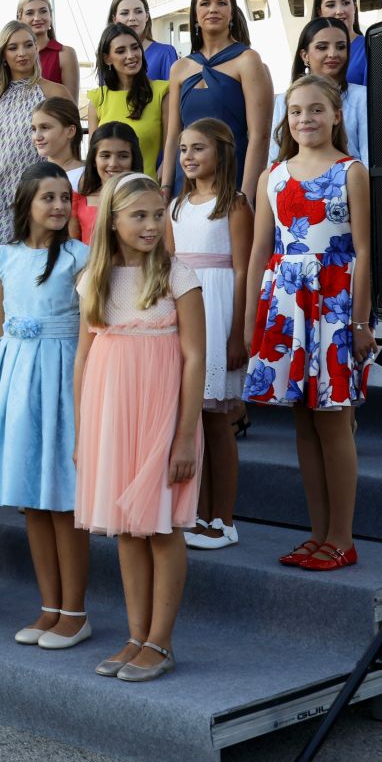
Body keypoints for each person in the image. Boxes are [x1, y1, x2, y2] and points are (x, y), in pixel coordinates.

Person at [74, 171, 205, 682]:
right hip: (110, 414)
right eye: (139, 216)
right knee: (127, 528)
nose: (151, 225)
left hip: (160, 413)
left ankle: (161, 641)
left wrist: (186, 434)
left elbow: (195, 357)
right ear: (112, 220)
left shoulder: (177, 276)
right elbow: (84, 359)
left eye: (157, 215)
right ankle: (135, 635)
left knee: (162, 525)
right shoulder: (92, 279)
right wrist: (84, 431)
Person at [245, 75, 374, 573]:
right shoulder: (272, 175)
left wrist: (361, 322)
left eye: (317, 110)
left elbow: (363, 251)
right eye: (297, 111)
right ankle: (317, 532)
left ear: (336, 115)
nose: (306, 119)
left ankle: (342, 536)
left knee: (334, 420)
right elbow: (262, 250)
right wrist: (254, 317)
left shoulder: (352, 172)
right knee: (303, 421)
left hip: (335, 306)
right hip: (286, 304)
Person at [0, 163, 93, 648]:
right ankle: (49, 606)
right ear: (27, 203)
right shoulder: (2, 258)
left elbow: (88, 331)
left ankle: (75, 611)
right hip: (16, 379)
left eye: (65, 197)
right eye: (49, 197)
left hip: (63, 377)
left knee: (62, 499)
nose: (60, 206)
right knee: (32, 502)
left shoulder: (81, 258)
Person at [169, 120, 253, 550]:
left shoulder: (234, 204)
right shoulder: (177, 206)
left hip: (218, 312)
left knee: (217, 421)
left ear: (220, 152)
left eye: (198, 148)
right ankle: (197, 514)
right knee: (193, 421)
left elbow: (242, 271)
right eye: (183, 148)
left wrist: (238, 332)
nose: (188, 156)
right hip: (185, 315)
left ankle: (224, 519)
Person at [160, 0, 273, 195]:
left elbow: (260, 135)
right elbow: (174, 135)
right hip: (185, 183)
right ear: (195, 14)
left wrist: (247, 196)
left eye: (221, 3)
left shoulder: (247, 60)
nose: (213, 9)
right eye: (205, 3)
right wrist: (165, 187)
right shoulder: (179, 68)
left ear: (232, 12)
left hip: (232, 178)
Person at [0, 22, 69, 253]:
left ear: (36, 48)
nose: (22, 53)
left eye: (28, 45)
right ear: (3, 55)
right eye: (13, 47)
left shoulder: (54, 92)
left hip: (39, 198)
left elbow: (69, 147)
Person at [272, 18, 368, 164]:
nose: (333, 54)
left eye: (341, 47)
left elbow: (370, 159)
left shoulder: (363, 97)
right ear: (305, 55)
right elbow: (275, 158)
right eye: (322, 47)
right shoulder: (284, 101)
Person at [83, 24, 170, 177]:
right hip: (108, 193)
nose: (131, 55)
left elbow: (172, 148)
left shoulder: (161, 92)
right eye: (121, 51)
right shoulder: (97, 99)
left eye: (135, 48)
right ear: (107, 58)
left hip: (147, 190)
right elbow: (95, 158)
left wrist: (164, 187)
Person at [108, 0, 179, 82]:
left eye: (138, 12)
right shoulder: (108, 55)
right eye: (125, 13)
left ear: (146, 16)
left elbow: (173, 93)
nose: (132, 18)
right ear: (114, 19)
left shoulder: (166, 53)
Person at [16, 0, 79, 93]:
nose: (37, 18)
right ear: (20, 17)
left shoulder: (65, 54)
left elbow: (71, 104)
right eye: (30, 13)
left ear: (50, 15)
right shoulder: (12, 55)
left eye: (43, 11)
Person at [311, 0, 367, 86]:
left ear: (355, 7)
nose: (339, 11)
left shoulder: (369, 48)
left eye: (346, 3)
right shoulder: (311, 49)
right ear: (319, 12)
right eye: (331, 5)